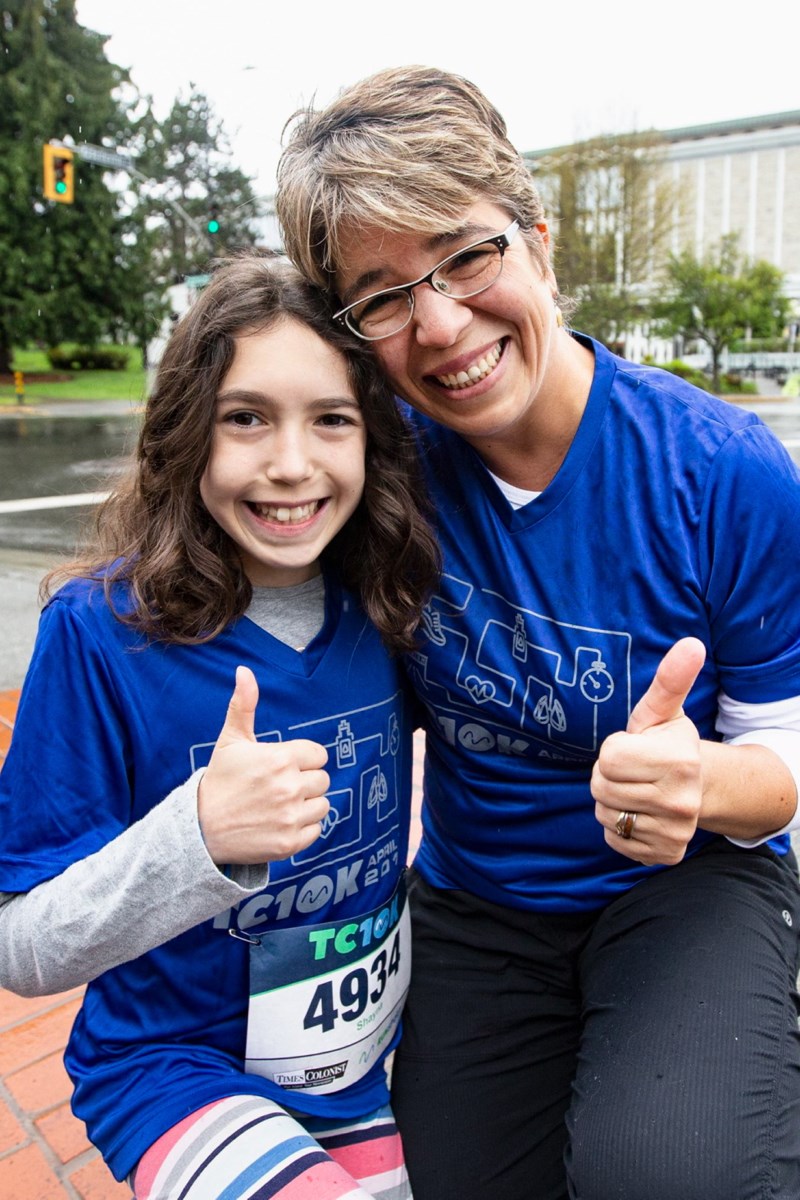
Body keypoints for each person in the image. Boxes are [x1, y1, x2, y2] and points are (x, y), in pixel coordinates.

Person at [275, 66, 800, 1200]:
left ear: (537, 242)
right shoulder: (377, 482)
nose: (441, 324)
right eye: (382, 296)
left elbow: (783, 768)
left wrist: (699, 782)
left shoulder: (722, 472)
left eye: (465, 256)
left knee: (669, 1173)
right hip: (478, 902)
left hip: (684, 889)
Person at [0, 254, 440, 1200]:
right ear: (187, 432)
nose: (290, 464)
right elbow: (21, 945)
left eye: (332, 419)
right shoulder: (98, 633)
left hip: (354, 1069)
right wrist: (194, 836)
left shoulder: (390, 603)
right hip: (173, 1069)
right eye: (246, 418)